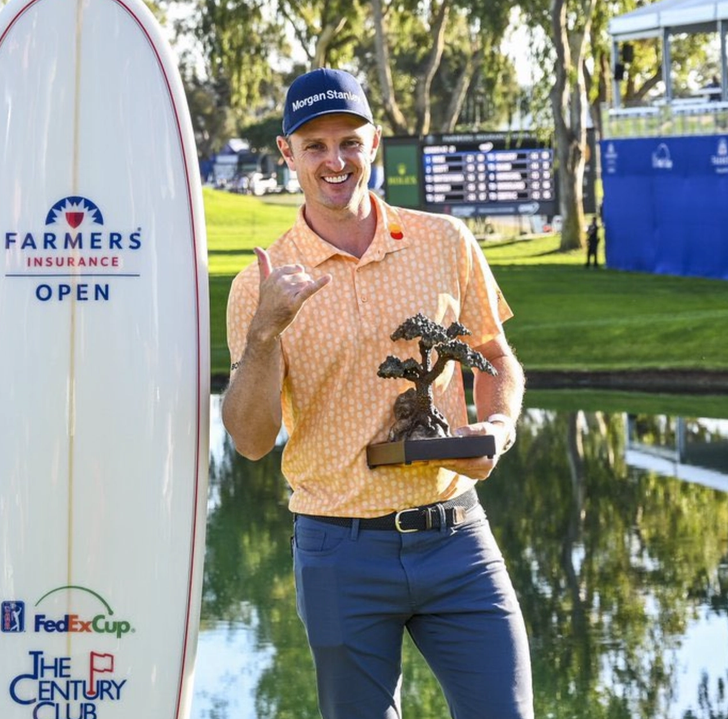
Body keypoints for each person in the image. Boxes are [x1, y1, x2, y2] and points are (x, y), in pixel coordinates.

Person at [222, 68, 532, 719]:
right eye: (315, 146)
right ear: (287, 153)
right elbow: (250, 441)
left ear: (375, 142)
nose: (335, 161)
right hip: (340, 551)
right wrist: (265, 331)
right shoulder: (263, 283)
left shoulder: (445, 241)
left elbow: (495, 356)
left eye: (349, 142)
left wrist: (498, 426)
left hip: (457, 538)